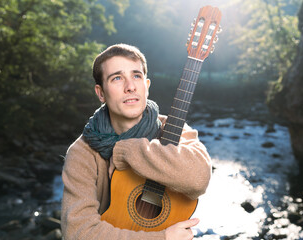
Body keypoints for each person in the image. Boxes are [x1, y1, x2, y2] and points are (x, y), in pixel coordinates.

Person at [61, 43, 212, 240]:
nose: (130, 86)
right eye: (117, 78)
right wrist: (162, 238)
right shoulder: (82, 153)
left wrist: (125, 151)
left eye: (136, 76)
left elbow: (198, 179)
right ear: (101, 93)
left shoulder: (175, 130)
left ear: (146, 86)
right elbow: (78, 233)